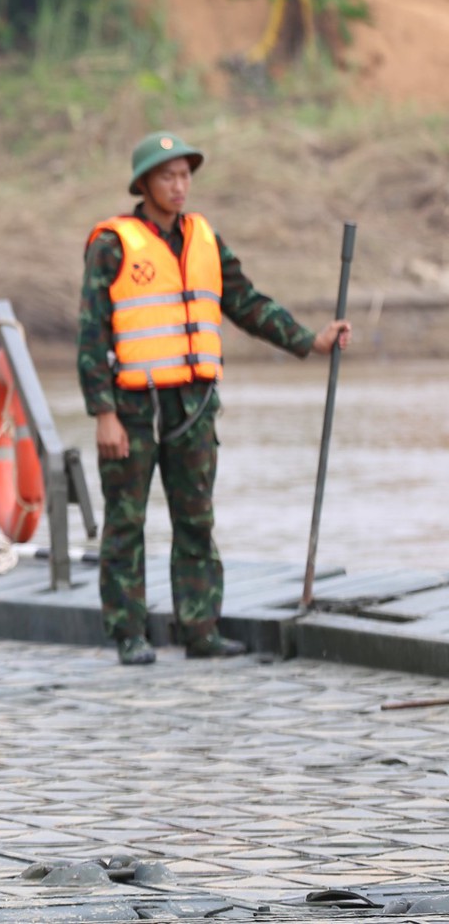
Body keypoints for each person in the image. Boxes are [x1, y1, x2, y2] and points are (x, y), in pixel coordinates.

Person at [79, 133, 351, 666]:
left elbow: (245, 302)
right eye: (167, 176)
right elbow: (91, 335)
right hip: (133, 408)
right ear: (144, 184)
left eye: (185, 175)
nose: (179, 186)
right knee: (126, 522)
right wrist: (103, 413)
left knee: (196, 519)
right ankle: (128, 633)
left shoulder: (204, 237)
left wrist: (308, 340)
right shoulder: (112, 244)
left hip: (194, 407)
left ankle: (200, 630)